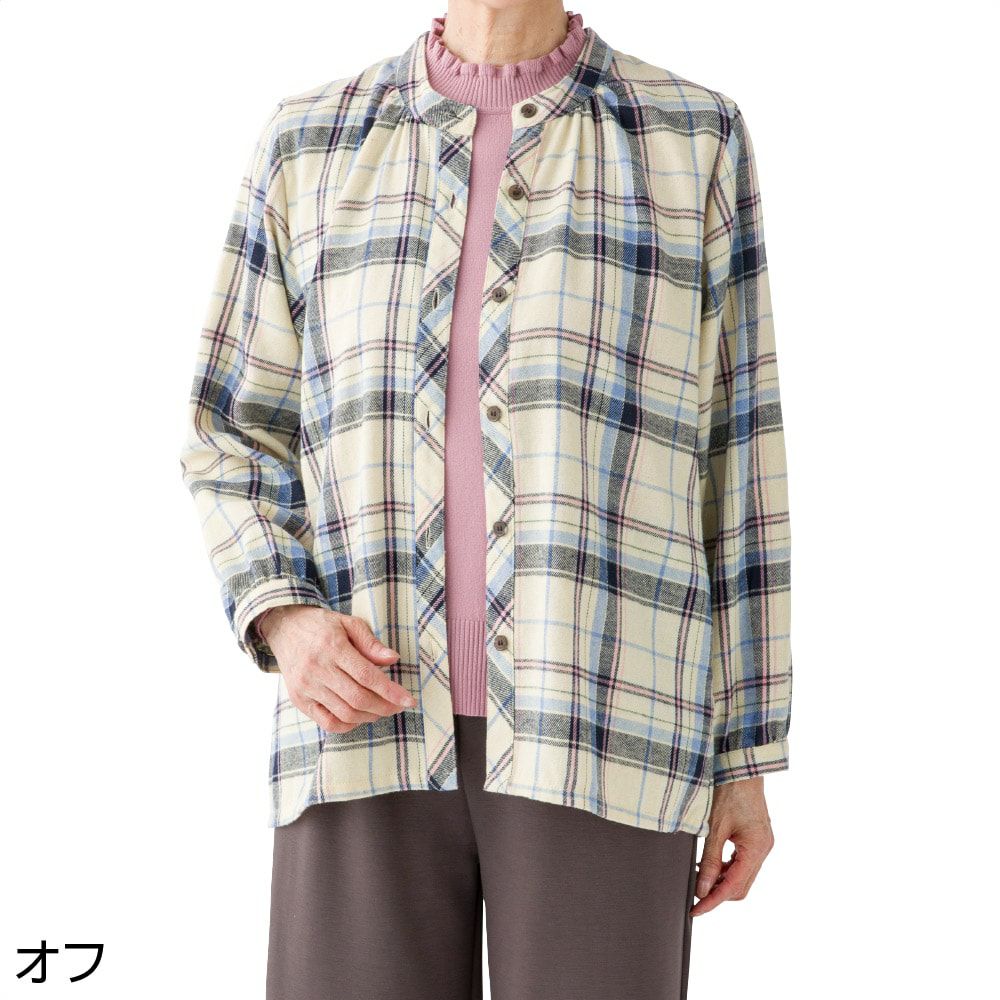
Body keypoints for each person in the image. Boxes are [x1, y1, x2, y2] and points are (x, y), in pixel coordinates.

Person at [177, 2, 793, 997]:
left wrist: (745, 752)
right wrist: (285, 619)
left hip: (605, 717)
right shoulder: (309, 142)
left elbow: (738, 455)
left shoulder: (690, 136)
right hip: (359, 729)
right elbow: (231, 431)